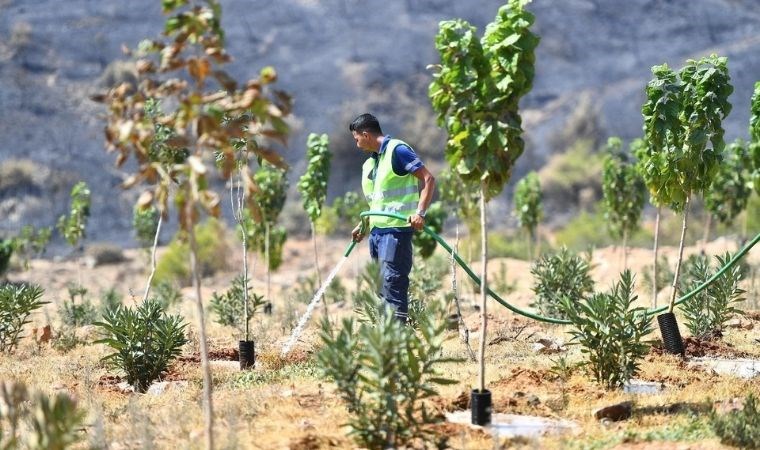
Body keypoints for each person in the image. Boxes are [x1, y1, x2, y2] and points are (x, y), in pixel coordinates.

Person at [349, 113, 436, 323]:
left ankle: (397, 340)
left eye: (356, 138)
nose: (356, 143)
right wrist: (364, 224)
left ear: (366, 134)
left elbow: (428, 178)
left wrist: (420, 213)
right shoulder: (373, 162)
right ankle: (387, 337)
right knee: (381, 286)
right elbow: (378, 202)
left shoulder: (397, 151)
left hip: (396, 231)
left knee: (393, 282)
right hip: (377, 232)